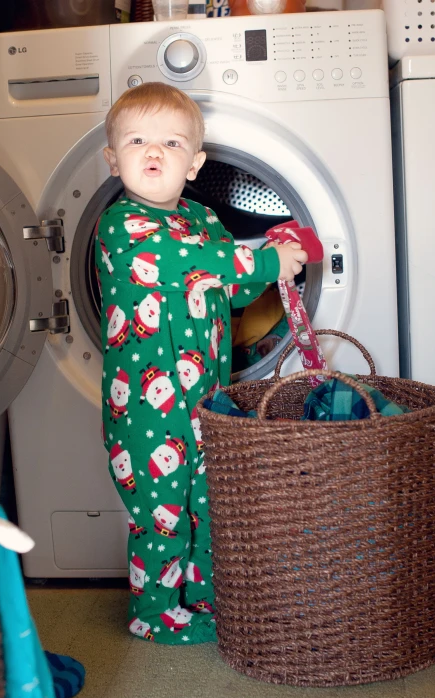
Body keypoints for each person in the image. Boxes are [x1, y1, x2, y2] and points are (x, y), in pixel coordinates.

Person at [95, 81, 307, 645]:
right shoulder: (122, 226)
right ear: (113, 159)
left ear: (195, 163)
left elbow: (228, 293)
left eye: (171, 142)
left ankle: (204, 597)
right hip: (145, 406)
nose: (154, 152)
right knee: (161, 510)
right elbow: (184, 261)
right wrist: (262, 260)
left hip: (206, 399)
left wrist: (272, 266)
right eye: (137, 141)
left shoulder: (204, 220)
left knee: (206, 504)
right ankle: (154, 611)